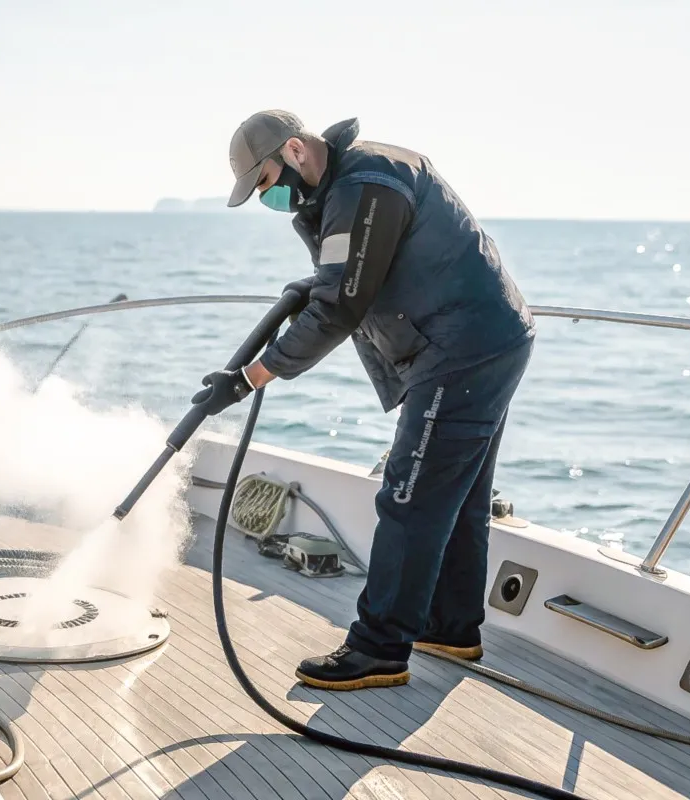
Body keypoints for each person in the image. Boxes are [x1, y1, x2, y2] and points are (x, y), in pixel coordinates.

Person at [189, 110, 536, 691]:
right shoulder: (352, 180)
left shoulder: (365, 185)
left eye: (265, 182)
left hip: (461, 350)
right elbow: (356, 272)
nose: (268, 198)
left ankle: (378, 650)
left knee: (409, 497)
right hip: (486, 338)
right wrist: (314, 287)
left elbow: (340, 308)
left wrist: (248, 378)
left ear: (295, 151)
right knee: (458, 495)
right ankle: (451, 628)